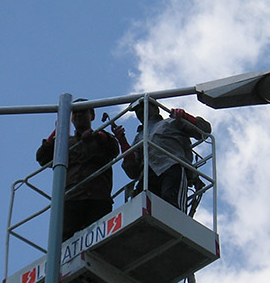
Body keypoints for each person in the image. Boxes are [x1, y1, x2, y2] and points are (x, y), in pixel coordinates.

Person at [36, 100, 120, 241]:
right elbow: (42, 157)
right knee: (65, 244)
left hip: (97, 198)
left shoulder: (102, 138)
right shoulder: (64, 143)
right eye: (75, 113)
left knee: (100, 242)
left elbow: (113, 149)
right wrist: (57, 130)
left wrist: (95, 136)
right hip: (71, 199)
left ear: (92, 116)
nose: (79, 115)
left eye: (83, 111)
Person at [119, 100, 211, 210]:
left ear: (156, 108)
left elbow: (204, 130)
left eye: (143, 106)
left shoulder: (172, 122)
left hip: (172, 167)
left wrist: (185, 117)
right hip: (148, 176)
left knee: (171, 203)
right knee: (144, 208)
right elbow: (132, 172)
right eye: (137, 110)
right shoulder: (139, 138)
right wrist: (122, 142)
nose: (140, 111)